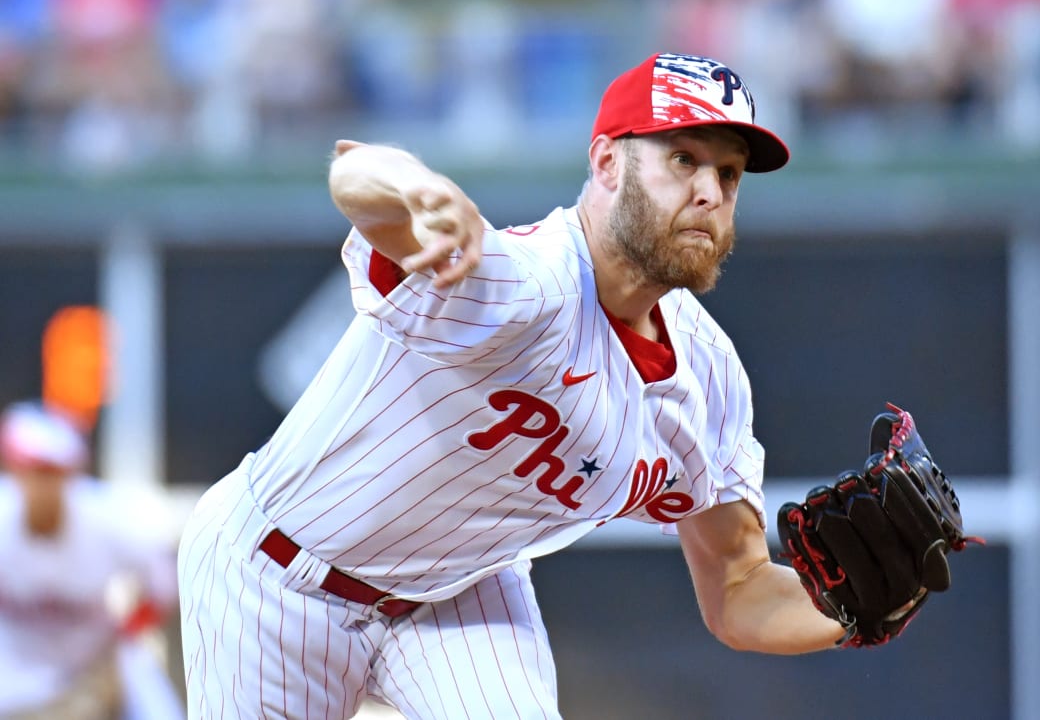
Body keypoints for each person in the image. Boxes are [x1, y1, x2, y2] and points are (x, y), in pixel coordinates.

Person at [178, 52, 846, 719]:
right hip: (277, 573)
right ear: (608, 162)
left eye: (728, 174)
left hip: (460, 594)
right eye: (683, 159)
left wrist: (854, 608)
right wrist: (416, 187)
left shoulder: (711, 380)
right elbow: (356, 172)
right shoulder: (525, 283)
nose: (709, 191)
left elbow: (740, 590)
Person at [0, 399, 182, 720]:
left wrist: (127, 630)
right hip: (13, 669)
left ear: (73, 472)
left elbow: (164, 581)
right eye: (34, 470)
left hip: (95, 661)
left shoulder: (105, 517)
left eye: (53, 472)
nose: (43, 485)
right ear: (13, 469)